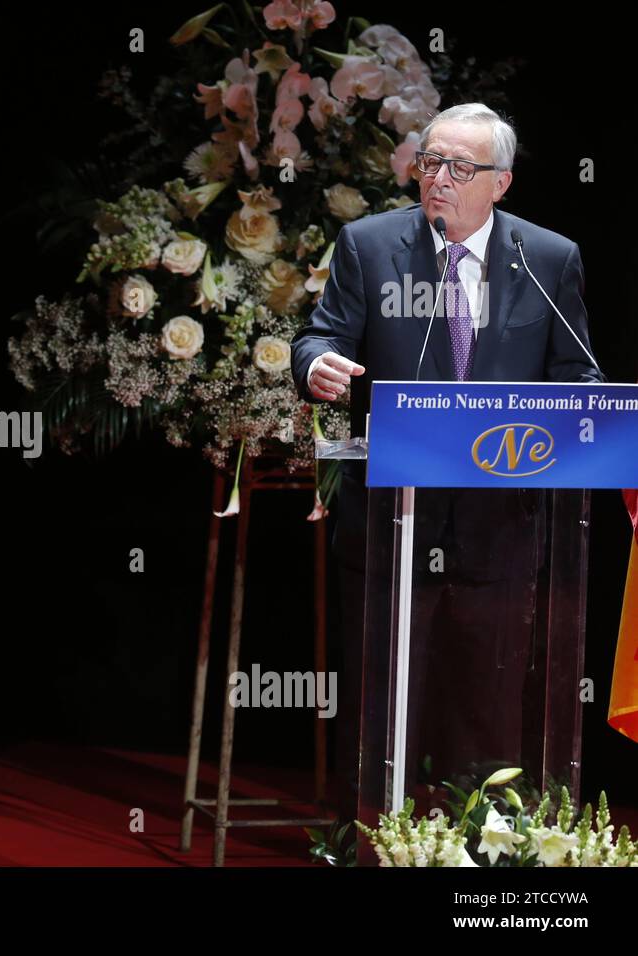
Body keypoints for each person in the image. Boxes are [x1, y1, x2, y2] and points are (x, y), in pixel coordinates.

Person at [290, 103, 605, 823]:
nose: (440, 179)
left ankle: (476, 847)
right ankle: (371, 837)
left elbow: (580, 377)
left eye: (462, 168)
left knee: (486, 707)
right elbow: (320, 336)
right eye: (430, 162)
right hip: (392, 526)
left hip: (501, 528)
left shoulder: (548, 258)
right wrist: (318, 366)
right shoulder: (370, 247)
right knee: (382, 699)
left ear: (501, 183)